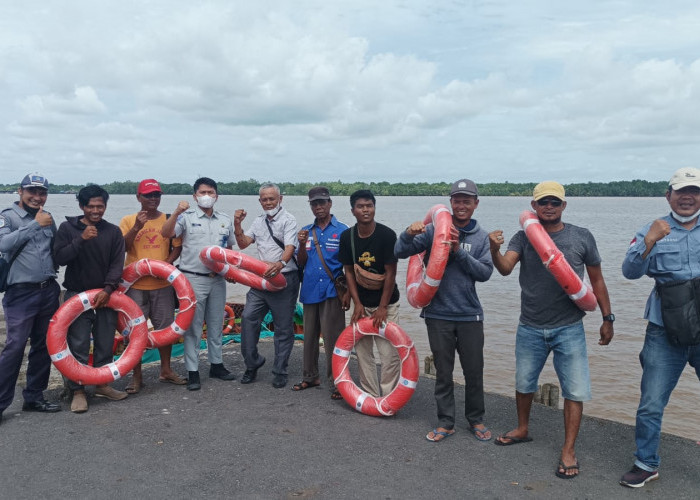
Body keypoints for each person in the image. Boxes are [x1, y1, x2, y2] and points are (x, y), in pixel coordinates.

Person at [489, 181, 614, 479]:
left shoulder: (581, 236)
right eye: (543, 202)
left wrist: (608, 317)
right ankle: (522, 428)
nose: (548, 206)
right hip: (530, 325)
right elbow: (506, 268)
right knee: (524, 382)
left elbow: (596, 280)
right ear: (533, 206)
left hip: (569, 327)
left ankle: (568, 449)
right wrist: (494, 250)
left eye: (554, 202)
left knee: (575, 389)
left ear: (563, 206)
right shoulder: (523, 237)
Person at [395, 179, 494, 442]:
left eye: (467, 200)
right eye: (457, 200)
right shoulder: (432, 230)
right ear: (450, 202)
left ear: (476, 204)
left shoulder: (481, 237)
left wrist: (459, 251)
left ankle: (476, 419)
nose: (461, 205)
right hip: (438, 314)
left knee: (474, 372)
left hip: (470, 315)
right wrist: (408, 232)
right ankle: (446, 421)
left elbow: (485, 273)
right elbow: (399, 251)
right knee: (443, 372)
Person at [619, 167, 700, 488]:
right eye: (680, 191)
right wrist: (649, 242)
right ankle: (646, 463)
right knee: (651, 401)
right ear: (668, 196)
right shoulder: (650, 230)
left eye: (693, 191)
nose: (687, 197)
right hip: (664, 328)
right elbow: (629, 272)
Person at [53, 184, 128, 413]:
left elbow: (117, 264)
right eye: (91, 206)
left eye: (100, 206)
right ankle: (77, 390)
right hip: (76, 295)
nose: (96, 210)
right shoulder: (67, 228)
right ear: (81, 206)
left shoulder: (113, 231)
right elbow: (59, 258)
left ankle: (102, 384)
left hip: (106, 296)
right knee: (79, 344)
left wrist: (108, 289)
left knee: (106, 342)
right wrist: (81, 239)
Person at [161, 177, 236, 391]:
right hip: (192, 278)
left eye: (211, 192)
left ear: (217, 196)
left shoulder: (225, 219)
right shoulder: (185, 217)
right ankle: (192, 371)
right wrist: (176, 212)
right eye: (202, 192)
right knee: (193, 327)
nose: (207, 196)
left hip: (218, 279)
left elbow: (229, 249)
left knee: (215, 324)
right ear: (195, 196)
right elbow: (166, 233)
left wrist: (232, 272)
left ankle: (217, 365)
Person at [0, 173, 61, 424]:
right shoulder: (8, 216)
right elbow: (3, 244)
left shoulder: (49, 218)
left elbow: (56, 248)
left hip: (47, 290)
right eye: (32, 192)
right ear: (20, 192)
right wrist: (35, 224)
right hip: (20, 293)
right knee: (14, 347)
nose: (37, 197)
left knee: (44, 344)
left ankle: (34, 397)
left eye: (42, 192)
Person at [119, 179, 185, 393]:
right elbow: (123, 248)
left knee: (165, 330)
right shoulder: (128, 220)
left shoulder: (168, 219)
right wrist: (138, 227)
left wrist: (166, 264)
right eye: (148, 195)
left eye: (157, 195)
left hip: (162, 285)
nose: (153, 199)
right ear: (138, 197)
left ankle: (166, 370)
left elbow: (177, 247)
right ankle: (136, 376)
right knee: (135, 332)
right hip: (135, 286)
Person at [234, 183, 300, 389]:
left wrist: (280, 264)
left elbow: (290, 247)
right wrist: (237, 224)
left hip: (285, 279)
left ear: (280, 199)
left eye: (272, 198)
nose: (268, 202)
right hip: (261, 280)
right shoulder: (258, 221)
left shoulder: (289, 220)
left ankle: (280, 370)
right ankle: (252, 363)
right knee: (248, 318)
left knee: (283, 327)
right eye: (264, 199)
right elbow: (244, 243)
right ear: (260, 201)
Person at [338, 189, 401, 397]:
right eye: (360, 206)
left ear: (374, 208)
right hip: (361, 303)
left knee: (388, 353)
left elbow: (391, 274)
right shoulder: (347, 237)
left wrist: (383, 307)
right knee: (363, 353)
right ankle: (371, 396)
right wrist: (357, 304)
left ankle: (388, 396)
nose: (365, 210)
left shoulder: (387, 235)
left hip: (387, 302)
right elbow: (348, 271)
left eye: (369, 205)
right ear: (353, 211)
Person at [293, 186, 349, 399]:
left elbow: (348, 267)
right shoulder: (306, 231)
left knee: (334, 340)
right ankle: (310, 376)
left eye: (322, 203)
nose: (319, 207)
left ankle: (337, 382)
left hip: (332, 291)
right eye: (314, 204)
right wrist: (300, 244)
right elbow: (300, 263)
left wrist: (349, 294)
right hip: (309, 290)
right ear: (311, 206)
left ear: (330, 203)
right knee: (309, 338)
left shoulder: (343, 230)